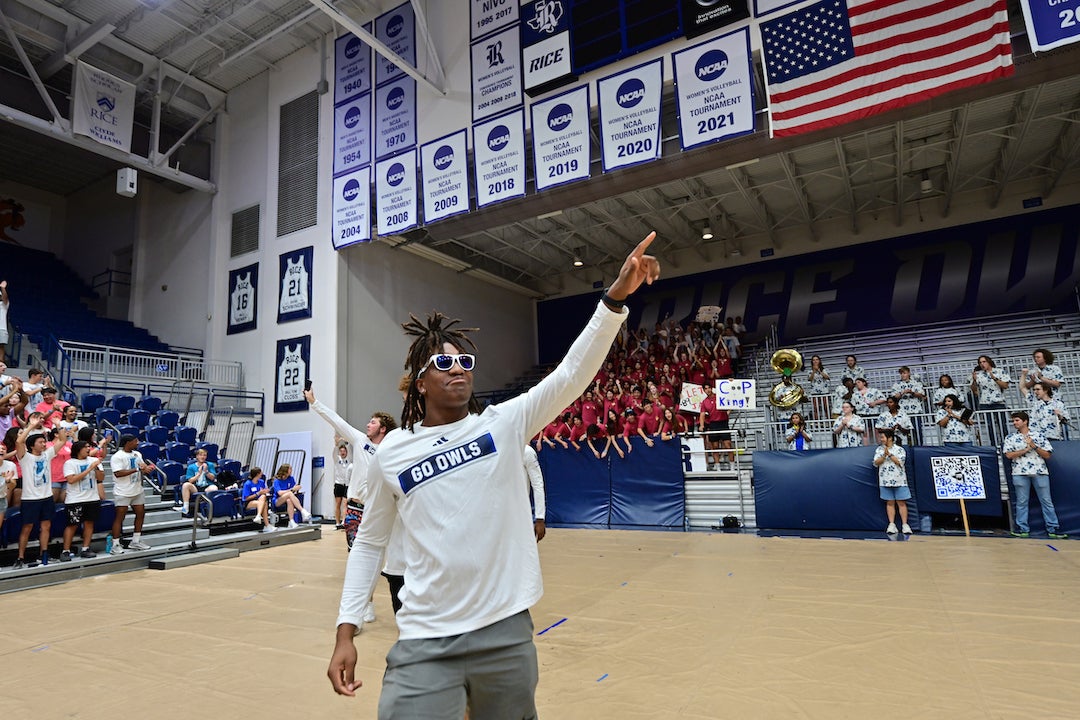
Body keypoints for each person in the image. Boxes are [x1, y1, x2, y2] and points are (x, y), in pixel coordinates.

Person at [327, 231, 660, 716]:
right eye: (445, 362)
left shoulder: (504, 423)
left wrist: (613, 301)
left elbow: (571, 374)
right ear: (420, 380)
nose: (459, 368)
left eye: (465, 361)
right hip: (424, 638)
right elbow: (370, 543)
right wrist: (346, 629)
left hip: (504, 634)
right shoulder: (393, 451)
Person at [13, 418, 68, 568]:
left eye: (44, 442)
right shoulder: (25, 457)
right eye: (40, 442)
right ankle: (20, 557)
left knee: (46, 527)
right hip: (30, 499)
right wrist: (31, 425)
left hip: (46, 497)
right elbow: (19, 442)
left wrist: (58, 425)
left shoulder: (47, 455)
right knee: (27, 528)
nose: (44, 444)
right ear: (32, 445)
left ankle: (44, 553)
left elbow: (62, 440)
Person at [1002, 410, 1066, 539]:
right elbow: (1008, 455)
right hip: (1019, 472)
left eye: (1017, 420)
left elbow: (1047, 454)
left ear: (1025, 421)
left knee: (1046, 501)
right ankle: (1022, 529)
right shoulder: (1010, 437)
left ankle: (1053, 528)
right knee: (1021, 502)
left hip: (1039, 471)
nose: (1014, 423)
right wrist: (1025, 449)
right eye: (1013, 420)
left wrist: (1034, 446)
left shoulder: (1038, 435)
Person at [109, 434, 157, 553]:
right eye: (135, 441)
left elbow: (142, 468)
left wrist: (147, 469)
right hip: (123, 491)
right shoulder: (117, 456)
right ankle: (115, 544)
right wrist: (137, 469)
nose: (138, 443)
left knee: (140, 514)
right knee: (120, 517)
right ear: (127, 442)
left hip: (137, 490)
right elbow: (118, 473)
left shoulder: (137, 454)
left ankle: (135, 541)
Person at [60, 440, 105, 560]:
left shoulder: (94, 461)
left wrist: (96, 469)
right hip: (75, 499)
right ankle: (65, 550)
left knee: (89, 523)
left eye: (89, 447)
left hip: (92, 498)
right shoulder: (70, 463)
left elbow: (101, 478)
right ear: (78, 449)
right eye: (85, 447)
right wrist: (89, 469)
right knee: (72, 525)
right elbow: (71, 480)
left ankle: (86, 548)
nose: (88, 449)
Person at [873, 429, 912, 535]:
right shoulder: (879, 450)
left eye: (883, 437)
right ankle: (891, 524)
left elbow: (900, 462)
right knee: (889, 503)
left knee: (901, 502)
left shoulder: (899, 450)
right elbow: (876, 462)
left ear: (889, 438)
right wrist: (884, 456)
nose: (881, 439)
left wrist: (890, 455)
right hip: (885, 480)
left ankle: (905, 525)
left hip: (899, 480)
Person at [970, 355, 1010, 443]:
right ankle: (994, 445)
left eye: (984, 362)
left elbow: (1005, 386)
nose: (982, 364)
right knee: (990, 425)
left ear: (989, 362)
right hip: (985, 403)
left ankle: (1006, 444)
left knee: (1002, 424)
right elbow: (974, 390)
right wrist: (974, 380)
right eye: (980, 362)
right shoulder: (979, 374)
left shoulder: (999, 371)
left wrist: (994, 378)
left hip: (998, 401)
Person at [176, 447, 218, 516]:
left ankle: (208, 508)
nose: (203, 457)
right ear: (197, 456)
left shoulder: (210, 465)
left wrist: (206, 471)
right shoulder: (191, 467)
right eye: (201, 455)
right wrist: (198, 474)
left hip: (207, 486)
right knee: (186, 485)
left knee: (214, 488)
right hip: (196, 487)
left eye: (204, 455)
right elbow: (190, 480)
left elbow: (213, 478)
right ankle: (185, 508)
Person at [698, 384, 731, 470]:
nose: (708, 390)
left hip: (723, 423)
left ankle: (733, 466)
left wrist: (730, 382)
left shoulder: (720, 396)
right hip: (713, 424)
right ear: (704, 391)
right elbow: (702, 414)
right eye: (706, 388)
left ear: (712, 388)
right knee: (714, 446)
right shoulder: (704, 402)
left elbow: (731, 396)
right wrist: (701, 425)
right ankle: (718, 466)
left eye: (709, 388)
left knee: (728, 445)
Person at [271, 463, 311, 528]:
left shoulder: (291, 478)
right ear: (285, 470)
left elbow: (293, 489)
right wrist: (292, 490)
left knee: (289, 500)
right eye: (290, 469)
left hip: (287, 499)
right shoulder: (277, 481)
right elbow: (280, 493)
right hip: (278, 500)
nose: (291, 470)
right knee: (289, 494)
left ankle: (291, 521)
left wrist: (296, 488)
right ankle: (302, 510)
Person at [522, 445, 546, 542]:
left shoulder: (527, 451)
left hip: (519, 511)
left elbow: (537, 484)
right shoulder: (494, 449)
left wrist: (540, 518)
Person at [241, 467, 275, 532]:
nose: (262, 474)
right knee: (263, 503)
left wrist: (266, 491)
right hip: (249, 502)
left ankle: (259, 516)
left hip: (260, 500)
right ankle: (267, 525)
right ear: (257, 474)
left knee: (263, 498)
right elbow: (246, 498)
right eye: (260, 473)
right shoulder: (247, 484)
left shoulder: (261, 482)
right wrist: (258, 493)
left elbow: (264, 491)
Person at [332, 443, 351, 529]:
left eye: (344, 451)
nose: (343, 452)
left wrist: (347, 442)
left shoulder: (349, 459)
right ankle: (337, 523)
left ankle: (344, 521)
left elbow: (350, 448)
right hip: (338, 484)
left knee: (345, 503)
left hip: (347, 484)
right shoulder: (337, 459)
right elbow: (334, 452)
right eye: (341, 451)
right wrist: (336, 444)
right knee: (338, 504)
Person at [0, 279, 8, 364]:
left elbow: (5, 298)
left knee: (1, 347)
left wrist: (3, 288)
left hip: (2, 328)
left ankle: (1, 364)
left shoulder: (5, 304)